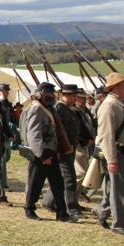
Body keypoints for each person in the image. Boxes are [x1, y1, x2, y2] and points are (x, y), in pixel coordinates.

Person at [21, 82, 75, 221]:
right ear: (40, 95)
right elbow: (33, 135)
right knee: (35, 183)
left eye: (52, 93)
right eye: (48, 94)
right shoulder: (36, 109)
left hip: (52, 151)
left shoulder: (49, 108)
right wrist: (43, 155)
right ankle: (29, 209)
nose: (51, 96)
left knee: (58, 184)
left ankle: (62, 213)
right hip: (42, 153)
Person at [92, 72, 124, 235]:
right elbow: (107, 135)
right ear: (116, 87)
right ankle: (119, 224)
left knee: (122, 188)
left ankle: (102, 211)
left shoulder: (118, 103)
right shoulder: (110, 105)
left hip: (123, 151)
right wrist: (112, 159)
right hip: (116, 152)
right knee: (120, 191)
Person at [42, 84, 83, 216]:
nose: (76, 98)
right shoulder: (59, 109)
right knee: (69, 178)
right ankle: (71, 207)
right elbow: (58, 131)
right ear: (67, 96)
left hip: (70, 147)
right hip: (63, 148)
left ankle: (48, 202)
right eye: (74, 95)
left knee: (62, 178)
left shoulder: (69, 109)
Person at [0, 84, 18, 190]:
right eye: (6, 91)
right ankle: (3, 184)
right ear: (0, 91)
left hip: (8, 134)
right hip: (0, 137)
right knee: (3, 160)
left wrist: (13, 131)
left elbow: (11, 118)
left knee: (6, 158)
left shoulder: (7, 104)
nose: (8, 93)